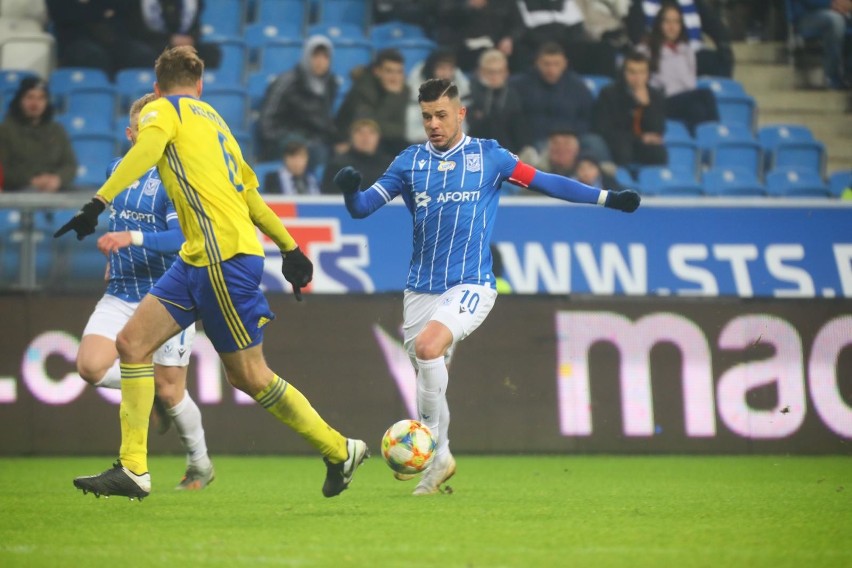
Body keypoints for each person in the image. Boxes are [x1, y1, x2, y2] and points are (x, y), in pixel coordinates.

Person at [55, 46, 368, 500]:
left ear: (157, 87)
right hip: (198, 256)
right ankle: (134, 469)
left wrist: (97, 202)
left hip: (223, 259)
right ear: (200, 85)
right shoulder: (216, 122)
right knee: (131, 344)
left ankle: (340, 448)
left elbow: (145, 149)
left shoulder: (162, 111)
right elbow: (250, 195)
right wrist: (289, 245)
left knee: (249, 376)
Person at [333, 78, 640, 495]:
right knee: (430, 372)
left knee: (428, 348)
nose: (434, 124)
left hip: (472, 282)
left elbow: (548, 181)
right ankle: (440, 458)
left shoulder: (489, 157)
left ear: (461, 113)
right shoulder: (408, 163)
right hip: (420, 288)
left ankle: (422, 442)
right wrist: (352, 190)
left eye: (442, 115)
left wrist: (607, 198)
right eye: (426, 117)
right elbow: (363, 208)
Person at [76, 92, 214, 490]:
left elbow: (182, 237)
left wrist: (131, 238)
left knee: (172, 392)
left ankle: (200, 464)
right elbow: (116, 219)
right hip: (121, 290)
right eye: (145, 128)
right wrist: (113, 251)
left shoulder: (173, 178)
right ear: (131, 133)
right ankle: (145, 385)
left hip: (166, 294)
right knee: (89, 367)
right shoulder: (115, 169)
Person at [511, 42, 609, 162]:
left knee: (595, 142)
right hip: (538, 138)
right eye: (546, 64)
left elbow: (587, 117)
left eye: (556, 64)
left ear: (565, 64)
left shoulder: (577, 86)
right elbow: (517, 119)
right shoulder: (520, 85)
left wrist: (569, 136)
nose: (551, 69)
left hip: (573, 136)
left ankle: (606, 175)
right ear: (537, 63)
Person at [257, 35, 338, 164]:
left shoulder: (330, 84)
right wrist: (287, 139)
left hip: (313, 140)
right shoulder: (287, 81)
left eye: (325, 57)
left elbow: (324, 121)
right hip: (283, 140)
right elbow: (267, 121)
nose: (320, 61)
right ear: (306, 56)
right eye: (315, 56)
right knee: (318, 153)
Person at [641, 1, 718, 134]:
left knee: (705, 97)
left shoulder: (687, 50)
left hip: (686, 98)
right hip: (662, 101)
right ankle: (708, 139)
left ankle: (711, 138)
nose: (672, 27)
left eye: (676, 22)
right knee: (699, 102)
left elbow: (691, 83)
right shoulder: (646, 50)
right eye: (667, 22)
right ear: (659, 23)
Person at [0, 77, 77, 193]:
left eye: (41, 98)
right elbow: (3, 169)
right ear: (20, 100)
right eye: (30, 97)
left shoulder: (57, 130)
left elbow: (70, 165)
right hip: (17, 192)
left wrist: (57, 179)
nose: (35, 103)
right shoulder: (5, 131)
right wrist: (32, 180)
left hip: (54, 192)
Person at [593, 51, 668, 167]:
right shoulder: (609, 93)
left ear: (648, 74)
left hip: (642, 144)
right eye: (632, 72)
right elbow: (604, 127)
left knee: (659, 153)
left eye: (642, 72)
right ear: (624, 73)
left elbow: (658, 129)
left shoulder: (655, 95)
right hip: (618, 140)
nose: (637, 77)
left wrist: (647, 105)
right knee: (623, 149)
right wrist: (632, 101)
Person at [627, 0, 735, 77]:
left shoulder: (694, 2)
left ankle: (722, 97)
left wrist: (723, 42)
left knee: (721, 58)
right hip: (658, 54)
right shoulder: (640, 4)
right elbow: (636, 34)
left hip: (692, 52)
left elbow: (713, 23)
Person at [334, 48, 410, 157]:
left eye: (399, 72)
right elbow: (368, 126)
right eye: (389, 71)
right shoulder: (363, 89)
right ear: (377, 71)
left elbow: (400, 129)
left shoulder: (402, 90)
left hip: (385, 141)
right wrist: (392, 97)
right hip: (349, 140)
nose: (394, 77)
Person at [466, 49, 533, 155]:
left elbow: (519, 128)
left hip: (510, 151)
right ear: (480, 72)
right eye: (490, 72)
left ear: (506, 72)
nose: (495, 77)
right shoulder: (470, 92)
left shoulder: (512, 95)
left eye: (499, 72)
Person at [405, 49, 472, 143]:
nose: (446, 74)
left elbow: (462, 128)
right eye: (441, 68)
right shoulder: (415, 95)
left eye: (450, 69)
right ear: (431, 70)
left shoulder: (459, 90)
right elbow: (411, 133)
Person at [789, 0, 851, 89]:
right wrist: (833, 3)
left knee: (839, 19)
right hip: (808, 15)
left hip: (840, 10)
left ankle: (849, 75)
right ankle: (832, 77)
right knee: (835, 20)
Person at [322, 119, 391, 194]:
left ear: (378, 137)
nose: (366, 137)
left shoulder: (389, 166)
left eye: (371, 133)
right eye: (360, 132)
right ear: (351, 137)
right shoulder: (338, 165)